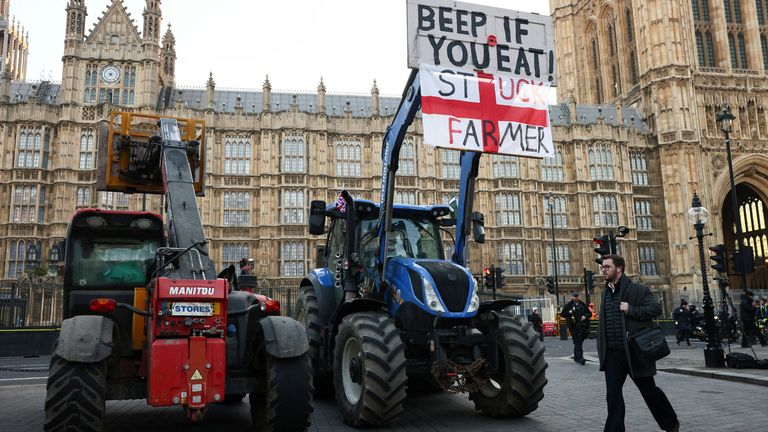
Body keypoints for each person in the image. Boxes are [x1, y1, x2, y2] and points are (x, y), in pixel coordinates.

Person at [597, 255, 679, 432]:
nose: (603, 270)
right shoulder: (604, 293)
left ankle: (671, 423)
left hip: (634, 352)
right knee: (613, 396)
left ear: (619, 269)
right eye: (602, 267)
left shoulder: (637, 290)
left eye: (606, 267)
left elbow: (655, 309)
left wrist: (631, 310)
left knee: (649, 392)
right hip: (613, 353)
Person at [561, 292, 592, 365]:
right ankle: (580, 358)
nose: (576, 297)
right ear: (572, 297)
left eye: (577, 296)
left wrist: (585, 316)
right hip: (573, 326)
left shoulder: (583, 304)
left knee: (579, 342)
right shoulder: (568, 305)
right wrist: (569, 312)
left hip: (582, 326)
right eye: (575, 296)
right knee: (578, 341)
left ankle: (576, 357)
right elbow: (563, 314)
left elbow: (589, 314)